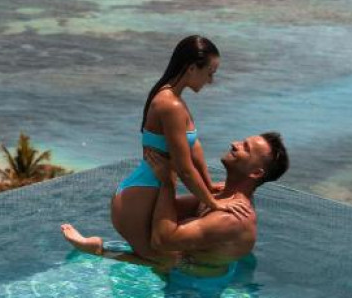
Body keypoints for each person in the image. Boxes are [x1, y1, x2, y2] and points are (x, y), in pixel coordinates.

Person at [61, 132, 289, 285]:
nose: (235, 144)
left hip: (196, 284)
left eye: (245, 148)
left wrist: (168, 180)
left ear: (256, 173)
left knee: (167, 254)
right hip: (188, 262)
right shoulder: (222, 194)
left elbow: (162, 240)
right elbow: (165, 209)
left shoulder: (231, 219)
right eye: (242, 141)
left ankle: (100, 250)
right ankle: (100, 249)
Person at [109, 35, 250, 262]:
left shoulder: (175, 99)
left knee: (166, 260)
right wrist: (214, 203)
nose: (211, 81)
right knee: (165, 262)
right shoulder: (170, 104)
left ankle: (99, 248)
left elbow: (195, 149)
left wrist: (208, 185)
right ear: (192, 68)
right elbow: (184, 169)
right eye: (210, 73)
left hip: (149, 194)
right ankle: (97, 249)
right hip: (138, 199)